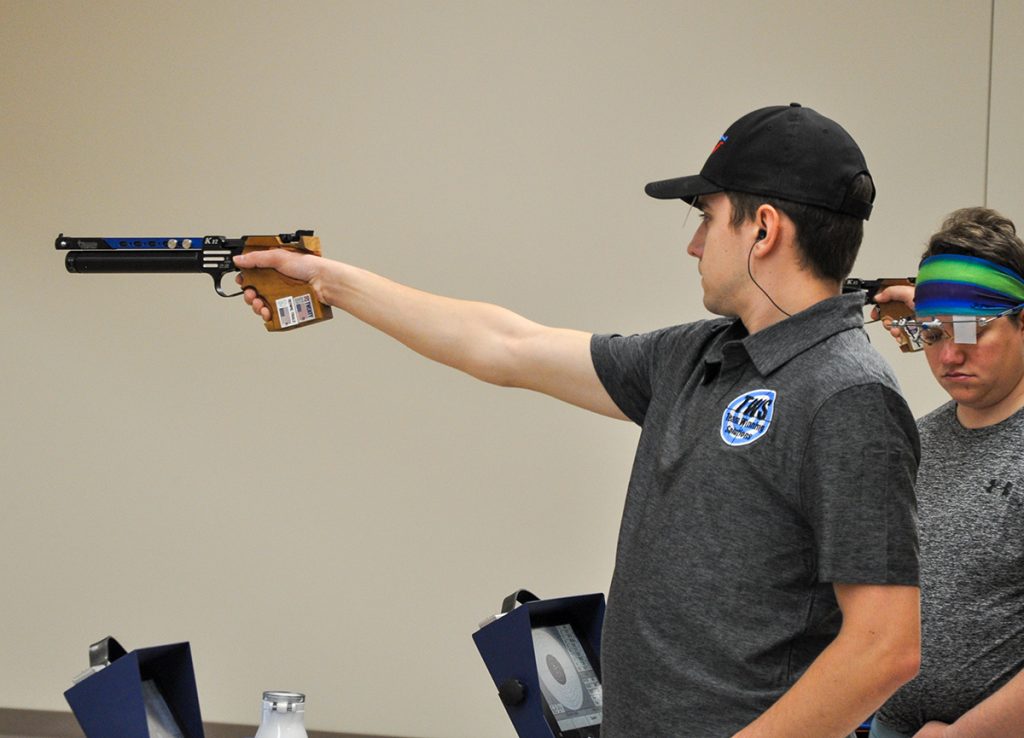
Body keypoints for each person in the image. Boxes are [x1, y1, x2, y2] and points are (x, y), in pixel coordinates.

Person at [235, 103, 921, 738]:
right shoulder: (697, 356)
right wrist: (330, 282)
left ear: (764, 227)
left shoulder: (847, 394)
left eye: (707, 217)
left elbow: (884, 647)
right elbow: (506, 346)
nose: (693, 244)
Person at [868, 207, 1024, 738]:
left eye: (973, 331)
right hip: (891, 723)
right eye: (933, 335)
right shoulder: (916, 439)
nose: (951, 355)